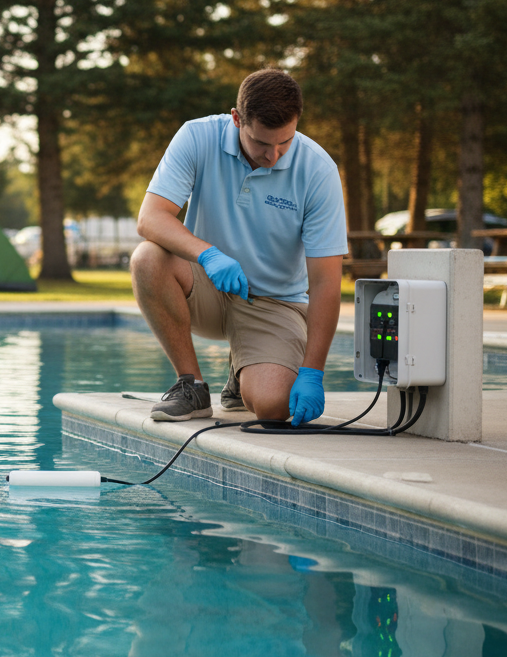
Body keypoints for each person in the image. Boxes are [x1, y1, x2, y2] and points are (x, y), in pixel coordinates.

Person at [130, 68, 347, 426]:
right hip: (206, 286)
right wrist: (207, 254)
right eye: (262, 143)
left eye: (285, 142)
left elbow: (325, 282)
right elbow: (150, 218)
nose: (274, 155)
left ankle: (240, 374)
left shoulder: (318, 170)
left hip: (274, 303)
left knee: (274, 408)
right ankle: (192, 386)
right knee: (147, 258)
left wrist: (313, 371)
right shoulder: (197, 136)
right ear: (236, 119)